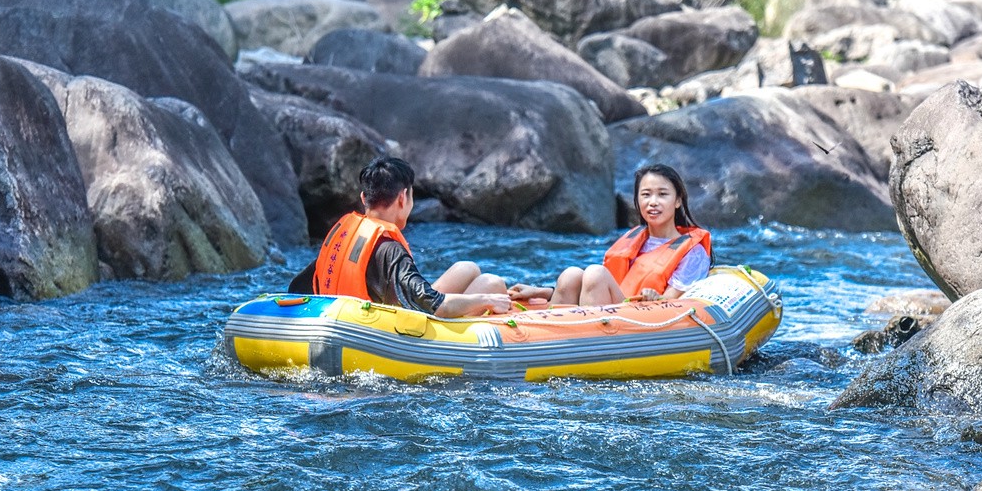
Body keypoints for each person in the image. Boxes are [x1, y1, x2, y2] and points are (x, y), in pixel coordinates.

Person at [291, 156, 512, 318]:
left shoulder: (343, 235)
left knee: (467, 268)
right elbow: (436, 306)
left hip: (348, 319)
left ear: (364, 198)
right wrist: (486, 300)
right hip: (388, 334)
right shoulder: (389, 248)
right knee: (492, 284)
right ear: (403, 197)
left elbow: (297, 288)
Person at [510, 164, 711, 307]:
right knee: (571, 275)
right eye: (646, 194)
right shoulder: (633, 238)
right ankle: (551, 340)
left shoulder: (693, 253)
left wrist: (654, 297)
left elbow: (672, 303)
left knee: (595, 273)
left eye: (662, 194)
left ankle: (585, 345)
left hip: (639, 320)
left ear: (678, 200)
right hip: (614, 309)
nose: (653, 202)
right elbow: (599, 288)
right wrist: (541, 292)